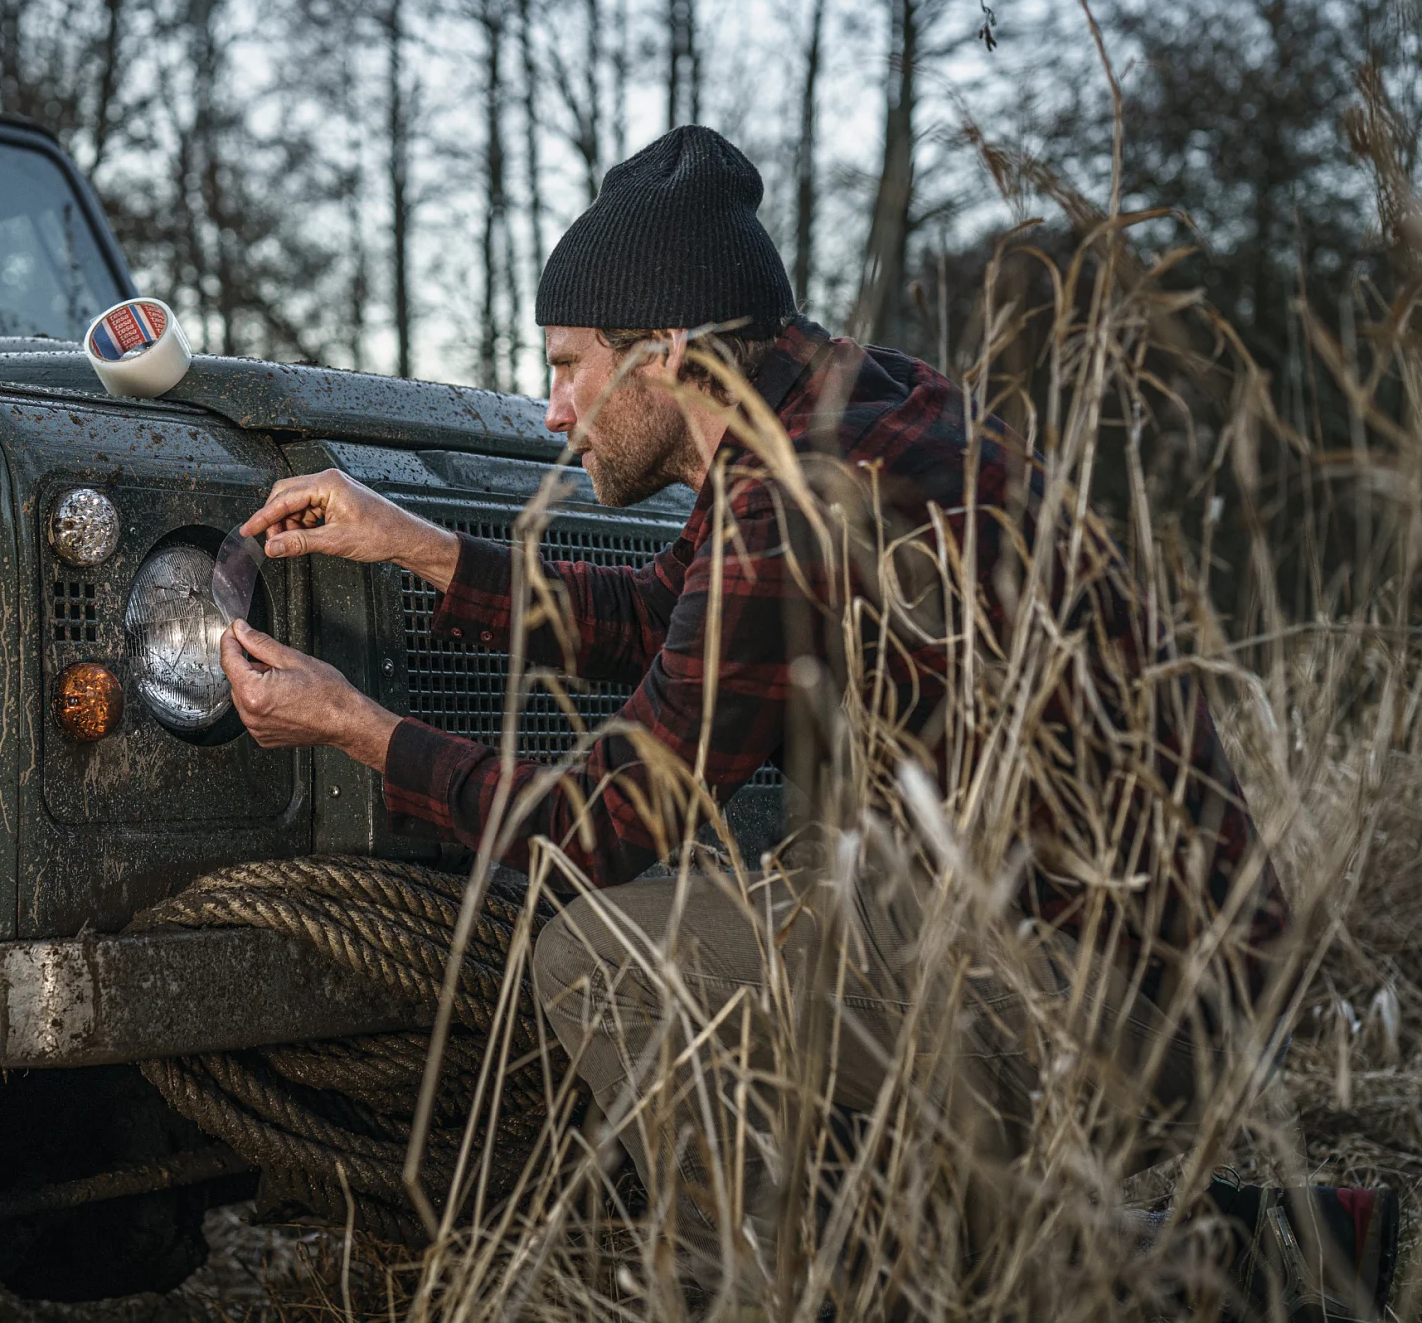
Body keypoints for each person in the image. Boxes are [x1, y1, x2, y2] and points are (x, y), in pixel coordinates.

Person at [215, 125, 1290, 1281]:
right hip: (1173, 942)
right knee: (773, 919)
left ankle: (766, 1286)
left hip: (1096, 979)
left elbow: (601, 830)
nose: (552, 413)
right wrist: (418, 546)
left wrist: (351, 725)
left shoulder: (790, 496)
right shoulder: (846, 405)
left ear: (663, 352)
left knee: (602, 955)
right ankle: (1247, 1258)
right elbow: (657, 616)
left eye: (568, 366)